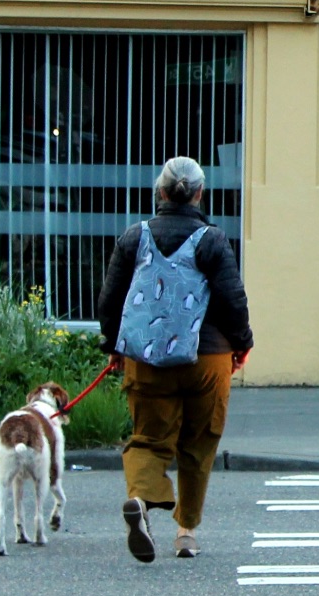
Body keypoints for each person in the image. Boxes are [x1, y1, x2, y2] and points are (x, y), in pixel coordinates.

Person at [94, 156, 253, 563]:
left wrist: (114, 345)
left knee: (148, 438)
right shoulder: (213, 240)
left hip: (147, 358)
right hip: (208, 357)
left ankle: (142, 501)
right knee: (199, 443)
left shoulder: (135, 237)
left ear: (160, 192)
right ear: (199, 193)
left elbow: (111, 300)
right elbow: (232, 300)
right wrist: (242, 343)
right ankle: (185, 532)